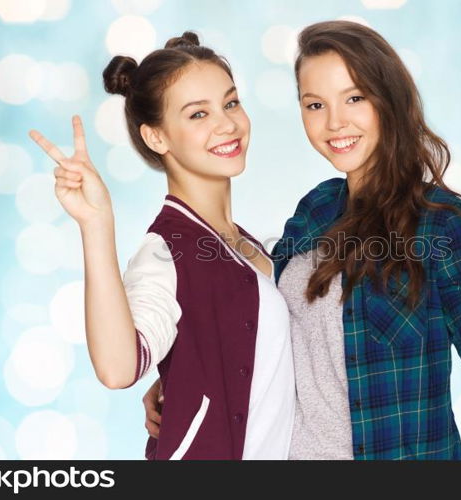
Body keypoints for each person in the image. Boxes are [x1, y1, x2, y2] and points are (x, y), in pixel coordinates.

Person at [144, 20, 461, 460]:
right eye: (315, 104)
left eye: (355, 98)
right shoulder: (314, 210)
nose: (335, 122)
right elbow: (258, 323)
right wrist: (182, 378)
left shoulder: (439, 224)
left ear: (387, 100)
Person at [29, 32, 295, 460]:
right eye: (197, 115)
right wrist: (97, 224)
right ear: (157, 138)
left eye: (230, 103)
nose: (226, 124)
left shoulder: (249, 246)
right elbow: (118, 368)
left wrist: (180, 378)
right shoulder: (165, 250)